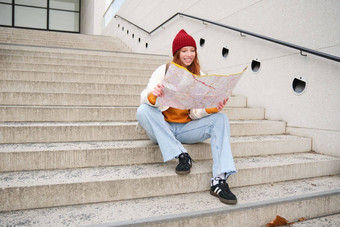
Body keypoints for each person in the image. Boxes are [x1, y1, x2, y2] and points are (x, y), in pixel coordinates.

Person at [136, 29, 237, 205]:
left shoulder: (200, 75)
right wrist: (154, 95)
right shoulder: (164, 70)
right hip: (162, 128)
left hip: (185, 129)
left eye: (192, 50)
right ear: (177, 53)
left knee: (221, 119)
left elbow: (196, 113)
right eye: (184, 50)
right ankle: (181, 154)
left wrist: (213, 108)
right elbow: (145, 95)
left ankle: (219, 180)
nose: (189, 54)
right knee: (142, 110)